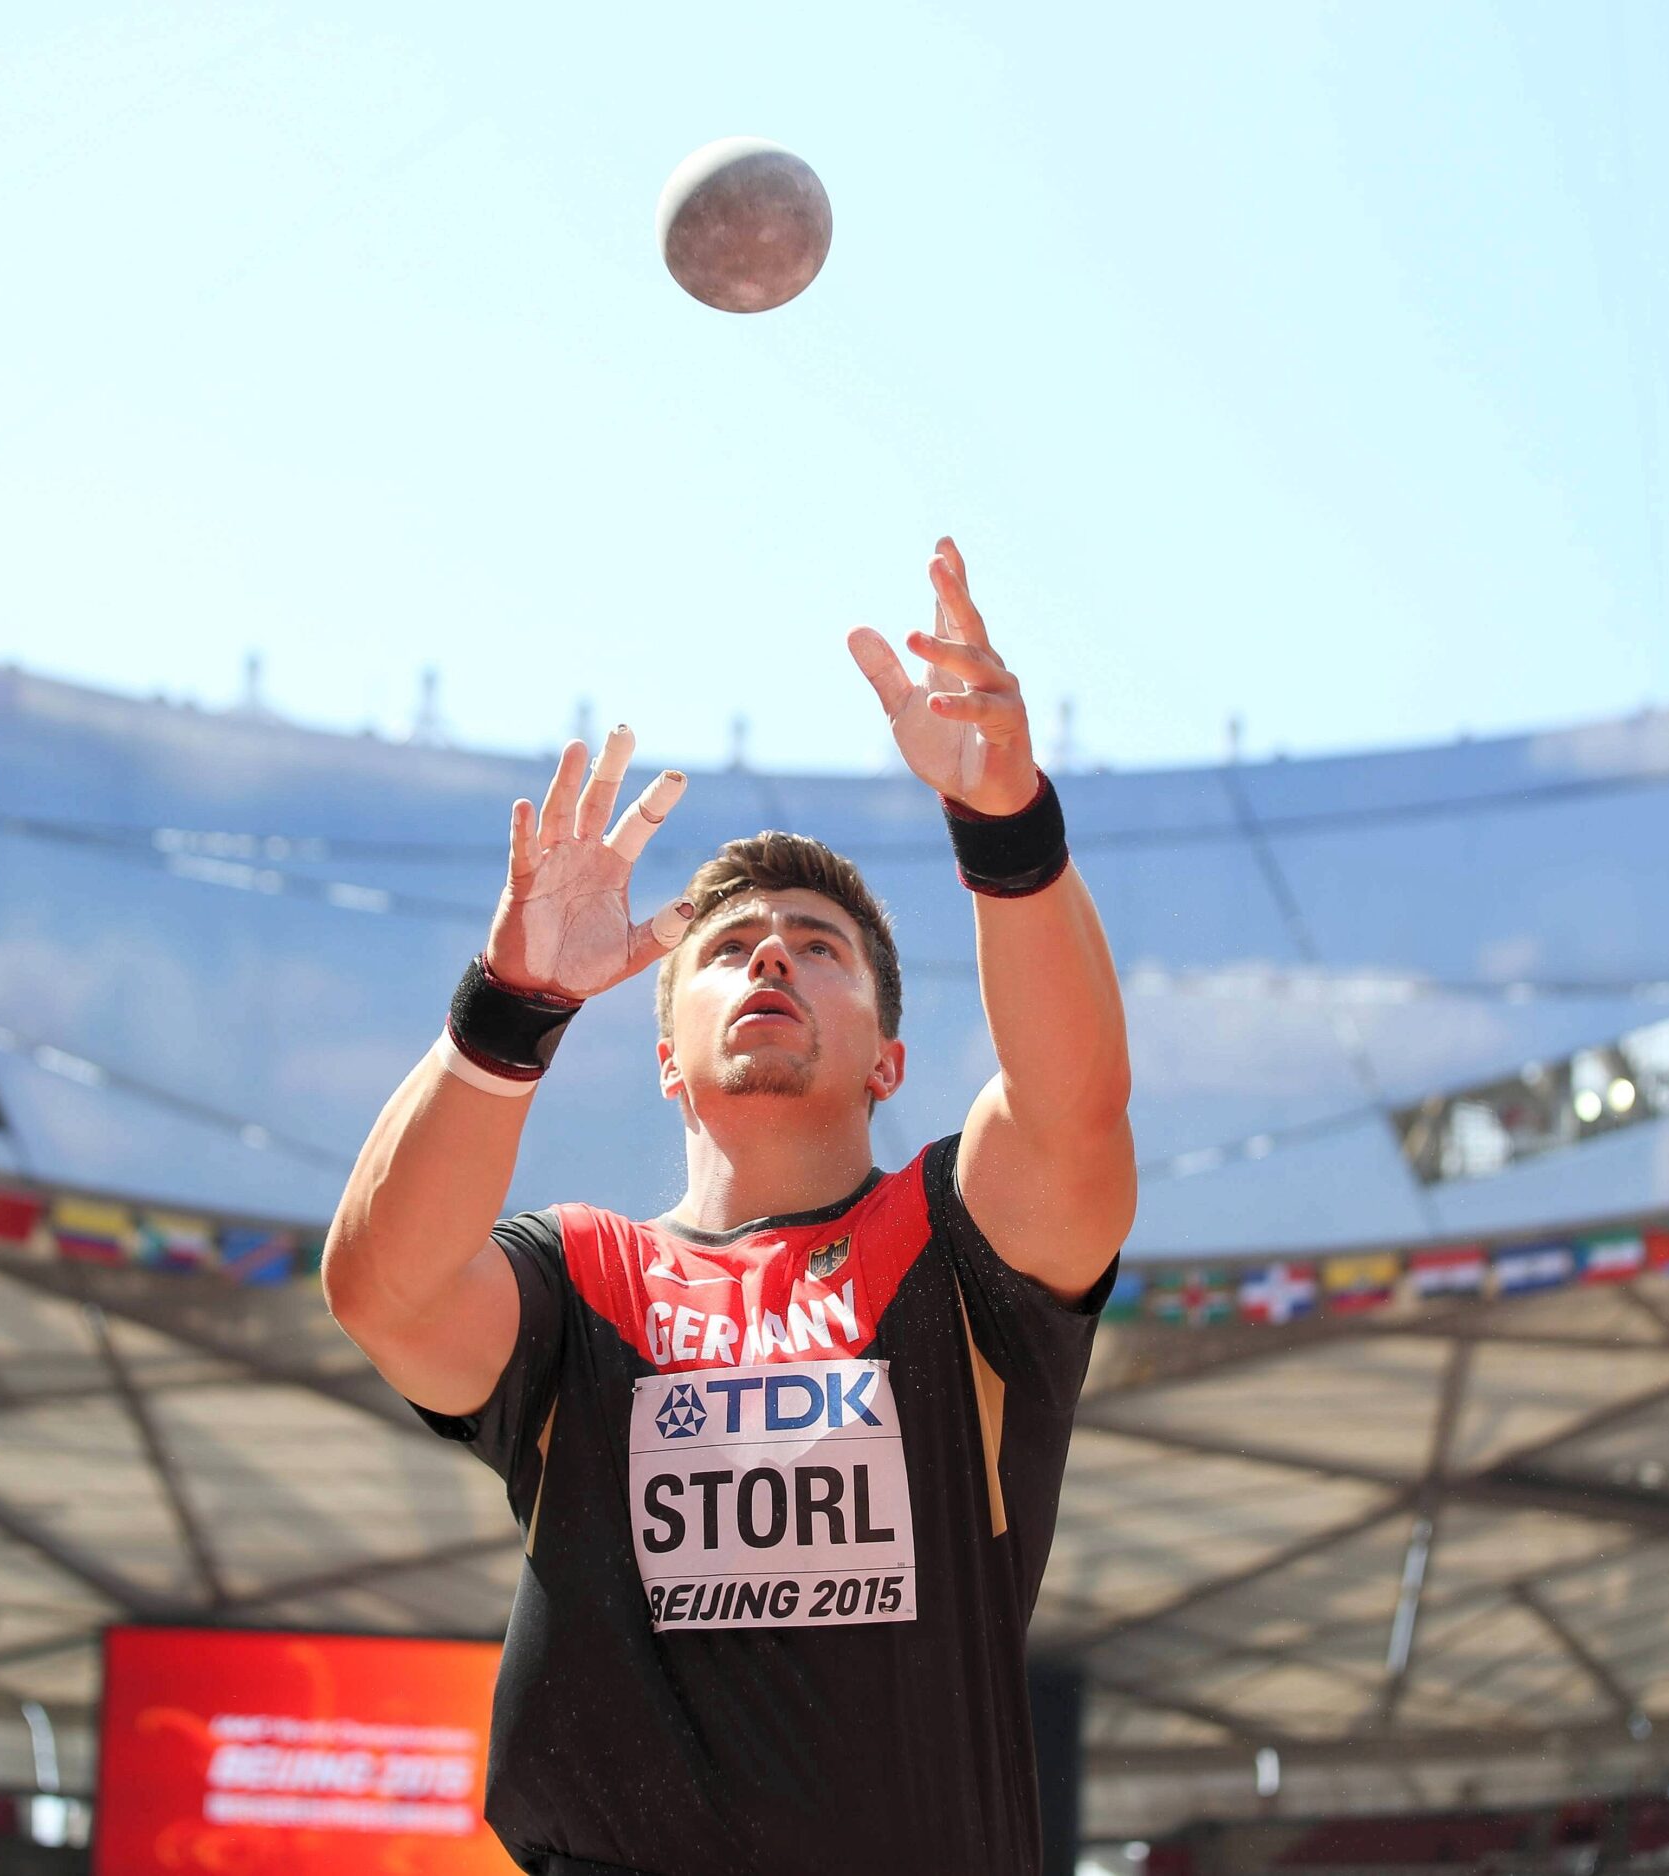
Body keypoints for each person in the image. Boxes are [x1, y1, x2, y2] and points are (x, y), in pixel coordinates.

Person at [323, 539, 1134, 1876]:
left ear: (888, 1059)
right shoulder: (583, 1280)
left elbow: (1074, 1116)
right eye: (726, 949)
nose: (770, 952)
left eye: (819, 948)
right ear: (662, 1053)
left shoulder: (952, 1245)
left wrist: (1008, 824)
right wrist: (511, 1008)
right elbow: (383, 1291)